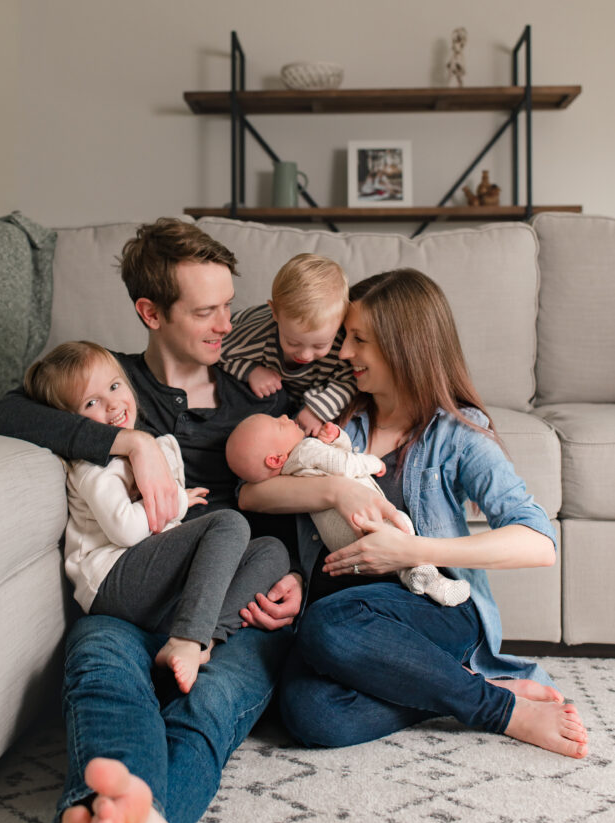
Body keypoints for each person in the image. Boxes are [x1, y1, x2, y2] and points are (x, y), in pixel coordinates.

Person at [0, 218, 304, 823]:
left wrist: (298, 579)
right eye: (204, 311)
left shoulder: (261, 395)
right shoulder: (110, 384)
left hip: (228, 606)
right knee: (101, 674)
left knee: (208, 709)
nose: (227, 324)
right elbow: (4, 411)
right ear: (150, 313)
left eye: (229, 303)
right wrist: (127, 440)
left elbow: (297, 491)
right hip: (131, 590)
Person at [238, 269, 590, 761]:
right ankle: (464, 685)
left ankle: (499, 710)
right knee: (308, 713)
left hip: (435, 606)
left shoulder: (458, 434)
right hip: (347, 612)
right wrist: (335, 496)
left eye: (359, 340)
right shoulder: (335, 420)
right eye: (346, 338)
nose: (343, 354)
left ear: (403, 347)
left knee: (329, 623)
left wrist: (410, 550)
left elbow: (538, 543)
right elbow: (253, 495)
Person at [24, 340, 290, 693]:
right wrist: (179, 503)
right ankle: (188, 636)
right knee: (228, 523)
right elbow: (128, 530)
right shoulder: (94, 466)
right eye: (91, 403)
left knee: (272, 551)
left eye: (115, 387)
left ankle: (205, 639)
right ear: (72, 422)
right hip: (114, 580)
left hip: (156, 585)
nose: (113, 404)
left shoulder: (155, 446)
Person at [226, 412, 470, 606]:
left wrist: (337, 439)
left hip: (339, 539)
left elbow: (330, 458)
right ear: (275, 459)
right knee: (402, 526)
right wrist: (372, 462)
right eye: (279, 425)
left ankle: (415, 577)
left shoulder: (291, 471)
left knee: (397, 556)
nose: (284, 417)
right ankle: (437, 584)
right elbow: (342, 464)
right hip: (357, 520)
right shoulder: (304, 450)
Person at [218, 252, 357, 436]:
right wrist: (251, 370)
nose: (305, 355)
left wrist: (317, 410)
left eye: (319, 346)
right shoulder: (259, 334)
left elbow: (349, 380)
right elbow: (219, 350)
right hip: (253, 361)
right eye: (293, 342)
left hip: (302, 394)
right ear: (275, 313)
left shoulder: (340, 343)